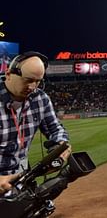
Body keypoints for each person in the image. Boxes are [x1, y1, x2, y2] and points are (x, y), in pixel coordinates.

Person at [0, 51, 71, 195]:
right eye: (28, 80)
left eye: (38, 81)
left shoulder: (40, 98)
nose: (33, 87)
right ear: (8, 74)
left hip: (22, 179)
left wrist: (60, 145)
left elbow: (55, 129)